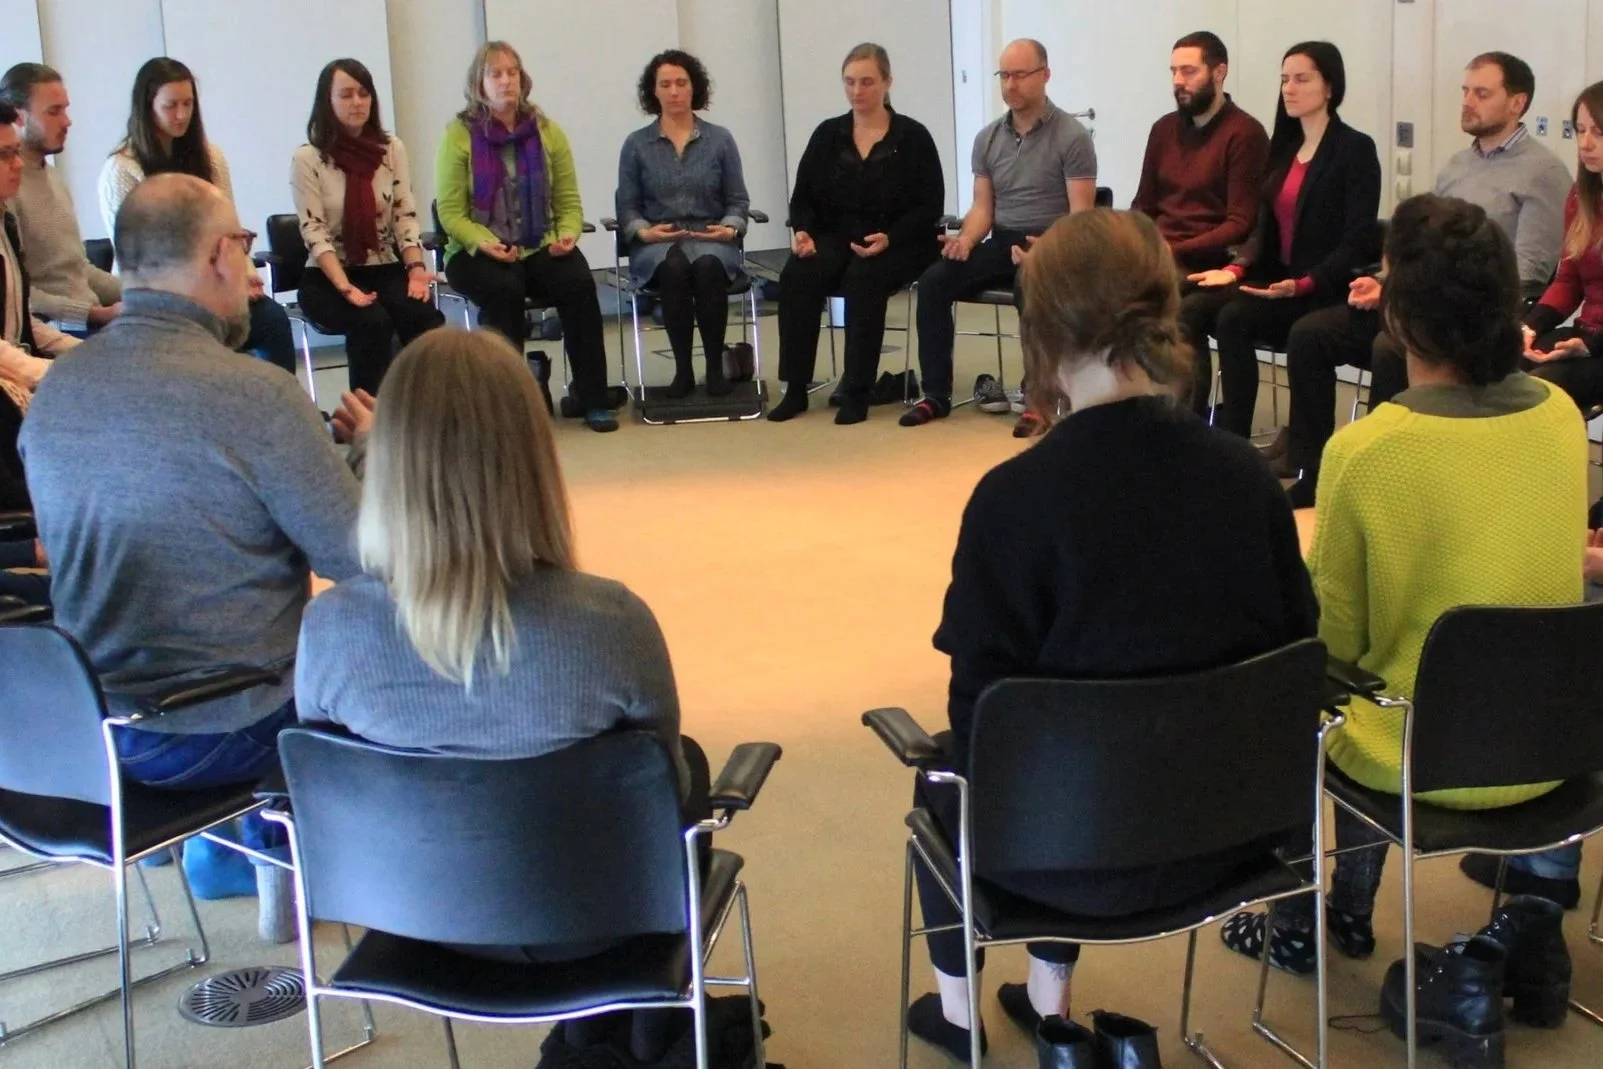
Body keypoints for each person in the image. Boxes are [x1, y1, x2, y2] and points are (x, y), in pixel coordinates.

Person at [906, 208, 1317, 1060]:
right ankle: (1048, 999)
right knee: (1092, 734)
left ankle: (958, 1015)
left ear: (1041, 327)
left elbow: (981, 709)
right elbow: (1294, 648)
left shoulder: (1013, 499)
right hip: (1235, 834)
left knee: (953, 771)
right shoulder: (1246, 477)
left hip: (1055, 850)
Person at [1220, 197, 1584, 1057]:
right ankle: (1533, 922)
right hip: (1558, 747)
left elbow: (1335, 641)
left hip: (1423, 758)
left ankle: (1329, 917)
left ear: (1396, 314)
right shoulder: (1562, 418)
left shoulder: (1368, 451)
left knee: (1317, 685)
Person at [295, 325, 705, 1061]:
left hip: (411, 917)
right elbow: (664, 789)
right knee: (685, 769)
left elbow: (334, 791)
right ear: (533, 456)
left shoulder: (329, 630)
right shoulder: (611, 623)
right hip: (599, 924)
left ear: (387, 466)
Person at [18, 173, 364, 942]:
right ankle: (279, 839)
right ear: (215, 255)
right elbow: (360, 558)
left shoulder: (59, 391)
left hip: (84, 734)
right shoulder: (256, 395)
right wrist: (374, 457)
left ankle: (216, 842)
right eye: (241, 246)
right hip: (226, 729)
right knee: (384, 625)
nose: (247, 267)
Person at [1276, 52, 1572, 505]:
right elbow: (1423, 243)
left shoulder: (1543, 172)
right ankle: (1315, 473)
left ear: (1517, 103)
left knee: (1391, 348)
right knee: (1310, 335)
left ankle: (1385, 481)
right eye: (1465, 91)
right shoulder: (1457, 165)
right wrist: (1385, 281)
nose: (1468, 101)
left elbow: (1528, 270)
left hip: (1475, 311)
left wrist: (1412, 288)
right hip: (1419, 300)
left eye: (1482, 93)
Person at [1185, 41, 1381, 440]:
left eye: (1301, 79)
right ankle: (1210, 432)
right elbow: (1264, 225)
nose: (1289, 88)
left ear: (1330, 87)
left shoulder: (1355, 150)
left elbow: (1357, 241)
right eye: (1284, 79)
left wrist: (1305, 283)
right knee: (1200, 309)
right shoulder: (1285, 148)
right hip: (1279, 282)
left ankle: (1256, 439)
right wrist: (1236, 268)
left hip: (1322, 288)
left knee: (1236, 318)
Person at [900, 38, 1097, 431]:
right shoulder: (988, 138)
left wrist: (1050, 249)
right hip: (1003, 240)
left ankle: (1037, 397)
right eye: (1004, 75)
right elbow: (983, 209)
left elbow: (1082, 217)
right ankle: (936, 394)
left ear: (1045, 75)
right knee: (935, 280)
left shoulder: (1072, 137)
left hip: (1050, 244)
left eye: (1020, 75)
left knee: (1031, 285)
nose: (1010, 85)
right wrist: (966, 240)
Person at [435, 41, 616, 432]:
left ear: (523, 78)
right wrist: (484, 242)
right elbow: (450, 213)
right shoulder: (459, 135)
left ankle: (591, 397)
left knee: (579, 283)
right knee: (504, 291)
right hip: (475, 248)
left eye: (512, 72)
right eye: (495, 74)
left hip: (538, 241)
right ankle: (506, 407)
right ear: (478, 84)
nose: (506, 81)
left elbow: (568, 203)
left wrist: (567, 234)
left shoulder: (548, 133)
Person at [767, 43, 943, 425]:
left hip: (898, 240)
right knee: (798, 275)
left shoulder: (913, 137)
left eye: (866, 82)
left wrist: (891, 238)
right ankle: (795, 388)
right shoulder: (828, 134)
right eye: (849, 82)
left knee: (864, 278)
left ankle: (857, 390)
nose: (857, 91)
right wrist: (803, 233)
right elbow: (803, 199)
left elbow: (929, 206)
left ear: (887, 83)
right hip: (837, 236)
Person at [98, 57, 297, 375]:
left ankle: (279, 412)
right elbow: (135, 259)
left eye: (188, 104)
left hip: (216, 284)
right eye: (171, 105)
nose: (181, 114)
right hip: (162, 296)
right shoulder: (122, 169)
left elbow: (230, 228)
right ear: (147, 106)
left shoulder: (211, 157)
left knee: (272, 320)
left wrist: (246, 275)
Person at [292, 58, 444, 395]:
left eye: (364, 93)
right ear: (327, 102)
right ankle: (367, 425)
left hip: (383, 266)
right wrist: (346, 288)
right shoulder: (309, 158)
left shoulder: (391, 149)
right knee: (371, 322)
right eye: (345, 95)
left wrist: (416, 269)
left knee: (423, 318)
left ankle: (427, 414)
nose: (357, 102)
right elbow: (314, 232)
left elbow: (404, 215)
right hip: (328, 276)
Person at [616, 49, 749, 401]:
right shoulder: (636, 145)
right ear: (654, 92)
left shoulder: (720, 140)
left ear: (694, 88)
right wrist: (643, 231)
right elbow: (627, 206)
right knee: (674, 267)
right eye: (665, 84)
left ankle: (715, 368)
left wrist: (731, 227)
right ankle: (683, 370)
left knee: (706, 266)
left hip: (711, 237)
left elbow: (738, 200)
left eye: (681, 83)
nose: (674, 91)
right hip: (657, 242)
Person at [1134, 30, 1269, 374]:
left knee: (1164, 305)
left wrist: (1174, 249)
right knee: (1095, 287)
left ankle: (1183, 416)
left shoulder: (1244, 133)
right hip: (1164, 253)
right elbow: (1144, 206)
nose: (1178, 81)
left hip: (1209, 261)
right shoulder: (1162, 130)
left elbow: (1240, 222)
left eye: (1189, 71)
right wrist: (1141, 243)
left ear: (1219, 72)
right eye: (1173, 72)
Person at [0, 103, 74, 607]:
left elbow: (24, 326)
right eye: (5, 155)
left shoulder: (5, 222)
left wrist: (84, 357)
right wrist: (49, 373)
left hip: (16, 371)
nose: (17, 164)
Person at [0, 64, 122, 333]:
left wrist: (139, 292)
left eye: (65, 109)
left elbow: (78, 269)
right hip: (57, 329)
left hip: (89, 320)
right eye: (54, 112)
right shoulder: (8, 191)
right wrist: (94, 314)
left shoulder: (53, 176)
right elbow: (20, 294)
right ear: (18, 116)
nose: (67, 121)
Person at [1519, 80, 1603, 413]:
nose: (1585, 143)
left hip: (1595, 346)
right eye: (1580, 130)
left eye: (1598, 132)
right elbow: (1568, 281)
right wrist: (1530, 326)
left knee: (1538, 392)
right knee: (1499, 368)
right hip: (1585, 337)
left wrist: (1589, 345)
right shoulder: (1580, 198)